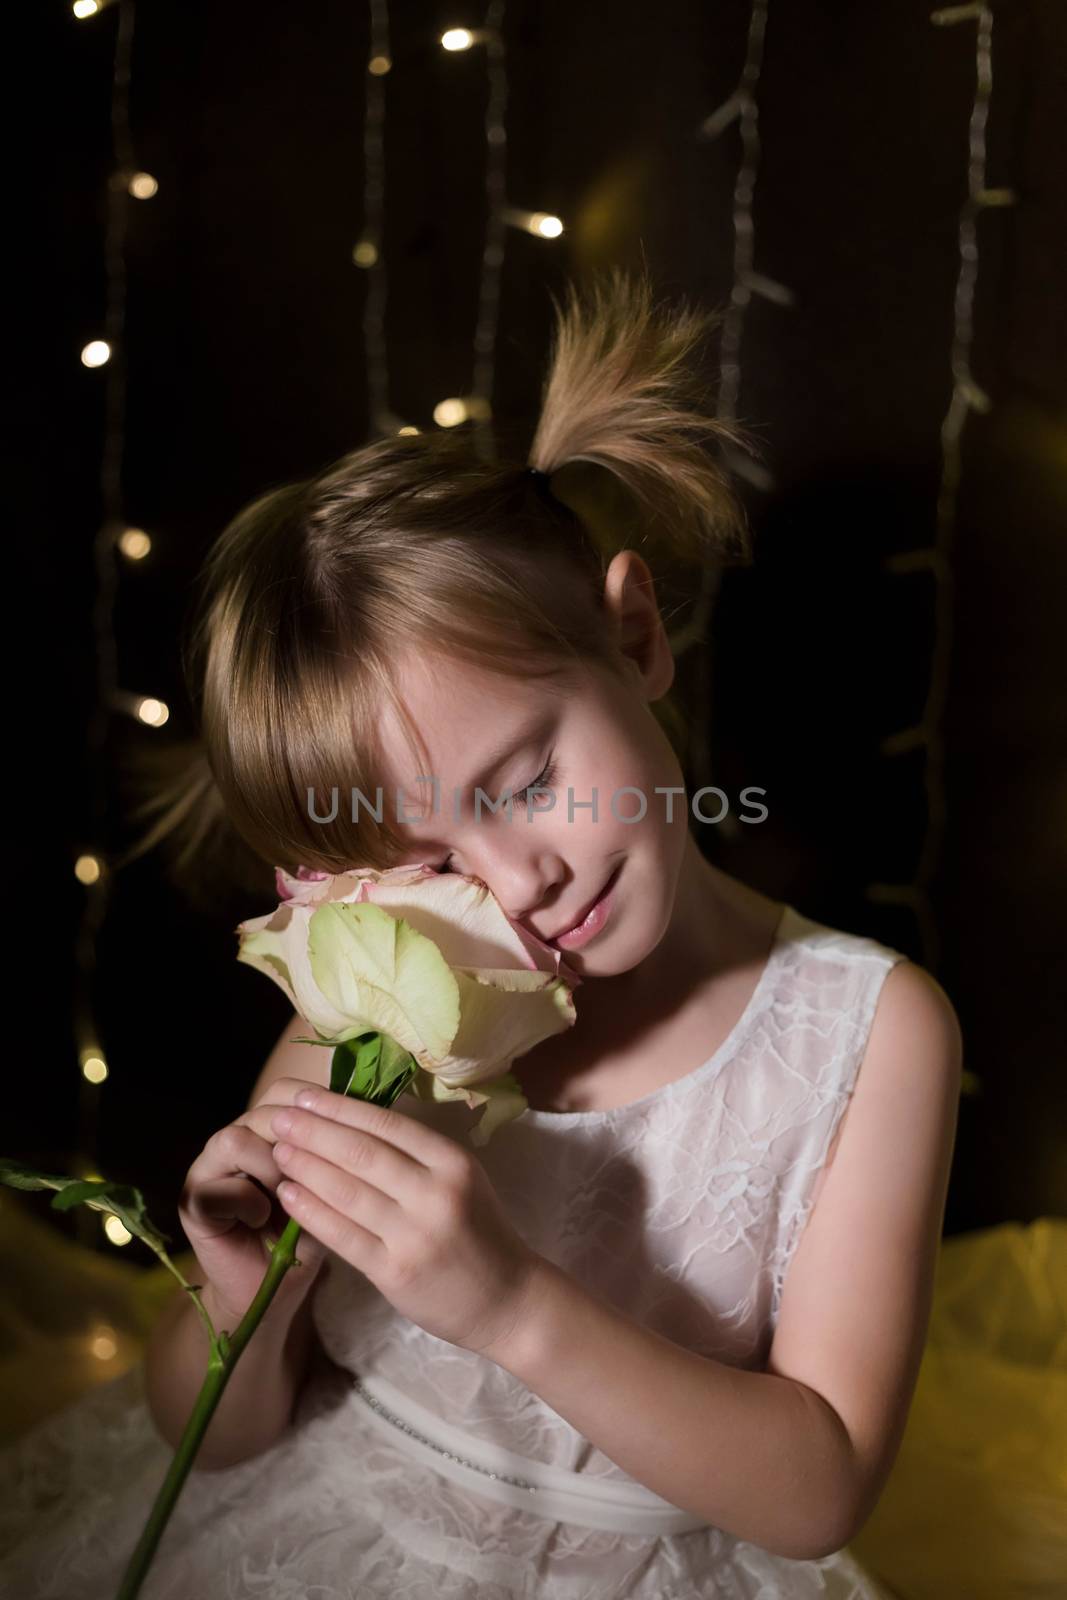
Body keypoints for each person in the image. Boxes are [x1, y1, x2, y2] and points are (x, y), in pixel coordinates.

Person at [0, 269, 962, 1598]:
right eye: (426, 859)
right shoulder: (382, 1004)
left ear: (633, 638)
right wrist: (247, 1299)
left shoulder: (868, 1031)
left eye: (522, 780)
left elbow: (820, 1487)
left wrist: (507, 1304)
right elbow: (210, 1438)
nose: (522, 879)